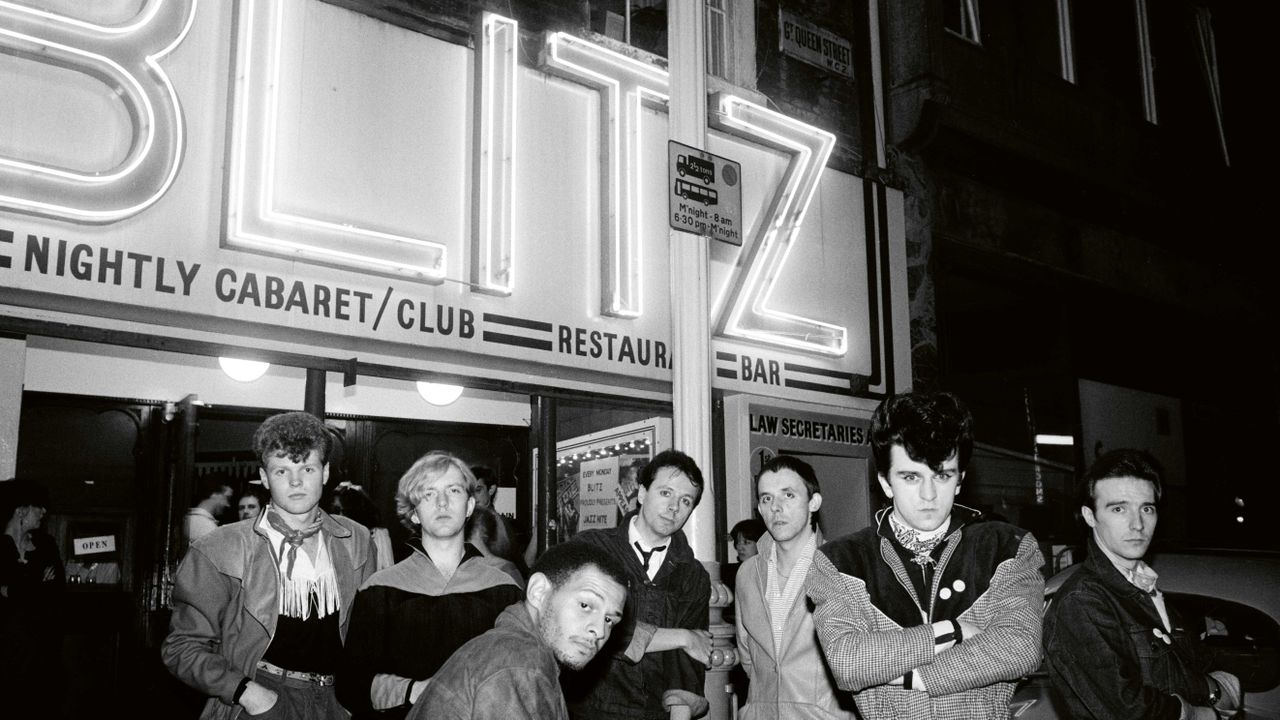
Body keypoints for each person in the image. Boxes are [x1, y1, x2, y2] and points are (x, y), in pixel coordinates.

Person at [806, 391, 1045, 719]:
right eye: (910, 477)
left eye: (942, 475)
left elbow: (1020, 647)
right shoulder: (840, 560)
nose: (929, 494)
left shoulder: (1007, 548)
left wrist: (914, 677)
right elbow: (848, 662)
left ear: (960, 480)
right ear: (886, 483)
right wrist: (952, 632)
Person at [162, 411, 377, 720]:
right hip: (258, 700)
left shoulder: (354, 538)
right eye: (281, 471)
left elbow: (365, 638)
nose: (296, 481)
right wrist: (246, 692)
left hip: (333, 703)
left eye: (307, 468)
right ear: (264, 477)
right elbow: (181, 646)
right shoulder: (219, 547)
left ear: (326, 472)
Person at [1042, 449, 1242, 719]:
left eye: (1146, 508)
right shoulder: (1082, 601)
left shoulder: (1147, 587)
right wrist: (1199, 713)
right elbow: (1128, 709)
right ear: (1090, 517)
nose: (1137, 524)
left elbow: (1191, 665)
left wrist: (1217, 688)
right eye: (1119, 508)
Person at [338, 451, 525, 720]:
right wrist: (414, 690)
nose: (442, 502)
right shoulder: (379, 590)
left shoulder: (504, 589)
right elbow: (349, 685)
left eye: (454, 490)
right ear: (414, 513)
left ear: (470, 506)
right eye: (428, 493)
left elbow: (519, 675)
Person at [562, 449, 711, 720]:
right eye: (665, 493)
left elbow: (687, 665)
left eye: (686, 501)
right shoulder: (593, 548)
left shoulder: (693, 575)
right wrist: (682, 637)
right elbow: (586, 626)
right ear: (642, 494)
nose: (674, 507)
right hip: (585, 709)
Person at [407, 540, 629, 720]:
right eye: (585, 605)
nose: (599, 630)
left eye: (610, 619)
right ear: (538, 592)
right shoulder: (519, 662)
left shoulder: (511, 648)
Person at [736, 456, 857, 719]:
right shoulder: (747, 573)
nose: (775, 508)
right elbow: (748, 655)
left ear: (813, 502)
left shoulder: (841, 566)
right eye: (766, 498)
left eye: (788, 495)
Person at [0, 478, 65, 718]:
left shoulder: (45, 545)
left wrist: (11, 590)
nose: (44, 512)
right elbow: (40, 591)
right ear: (21, 510)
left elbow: (56, 593)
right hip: (6, 651)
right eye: (39, 506)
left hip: (41, 652)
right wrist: (37, 586)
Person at [329, 481, 394, 571]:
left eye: (344, 511)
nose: (339, 516)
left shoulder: (378, 535)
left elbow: (387, 573)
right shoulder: (331, 536)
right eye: (336, 510)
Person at [185, 472, 234, 544]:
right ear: (215, 494)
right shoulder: (207, 528)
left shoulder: (187, 519)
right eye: (227, 498)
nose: (227, 505)